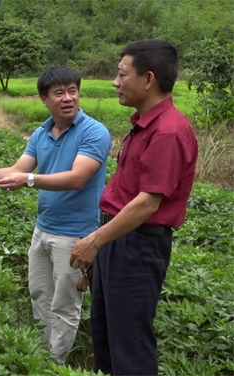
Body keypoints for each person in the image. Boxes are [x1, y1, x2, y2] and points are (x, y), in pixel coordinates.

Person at [70, 39, 198, 375]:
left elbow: (146, 203)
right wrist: (103, 242)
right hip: (119, 237)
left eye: (121, 74)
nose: (115, 82)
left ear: (148, 79)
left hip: (138, 243)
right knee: (107, 337)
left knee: (129, 344)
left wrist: (95, 241)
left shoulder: (169, 131)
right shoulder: (143, 124)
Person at [0, 66, 111, 364]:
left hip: (75, 235)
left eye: (72, 90)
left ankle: (53, 365)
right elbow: (17, 171)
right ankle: (41, 355)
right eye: (58, 93)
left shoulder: (94, 132)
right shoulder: (41, 132)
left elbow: (77, 178)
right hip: (43, 229)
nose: (67, 98)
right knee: (39, 295)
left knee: (65, 303)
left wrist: (30, 180)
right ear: (43, 99)